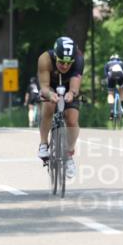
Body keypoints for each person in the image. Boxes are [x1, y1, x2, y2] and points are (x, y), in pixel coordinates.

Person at [36, 36, 83, 179]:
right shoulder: (45, 59)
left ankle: (68, 155)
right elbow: (44, 86)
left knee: (72, 119)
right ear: (55, 56)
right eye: (61, 61)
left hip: (68, 86)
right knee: (49, 106)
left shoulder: (79, 60)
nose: (64, 66)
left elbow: (75, 87)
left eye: (68, 63)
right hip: (50, 85)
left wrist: (71, 94)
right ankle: (44, 143)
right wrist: (50, 95)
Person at [104, 53, 123, 119]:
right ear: (118, 59)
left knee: (110, 93)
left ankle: (111, 110)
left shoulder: (107, 64)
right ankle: (122, 108)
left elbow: (106, 75)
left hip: (111, 77)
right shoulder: (121, 63)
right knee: (121, 90)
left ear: (110, 59)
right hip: (120, 76)